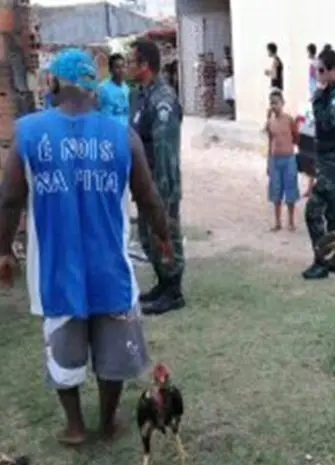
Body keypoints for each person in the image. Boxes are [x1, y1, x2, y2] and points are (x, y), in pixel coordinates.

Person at [0, 48, 172, 446]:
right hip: (110, 269)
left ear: (56, 83)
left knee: (63, 349)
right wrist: (164, 237)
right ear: (93, 88)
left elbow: (9, 199)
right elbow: (148, 199)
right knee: (113, 352)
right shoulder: (122, 136)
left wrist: (4, 249)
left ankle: (75, 425)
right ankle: (108, 421)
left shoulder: (27, 132)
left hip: (55, 271)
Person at [129, 39, 186, 315]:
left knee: (166, 233)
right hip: (145, 180)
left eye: (132, 61)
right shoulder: (142, 95)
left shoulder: (163, 99)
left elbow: (164, 150)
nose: (127, 66)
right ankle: (163, 282)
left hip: (160, 182)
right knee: (147, 235)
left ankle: (174, 291)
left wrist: (162, 190)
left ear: (145, 65)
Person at [302, 48, 335, 280]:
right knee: (334, 214)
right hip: (328, 159)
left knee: (313, 211)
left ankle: (322, 261)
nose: (318, 75)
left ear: (333, 70)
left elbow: (328, 122)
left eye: (322, 70)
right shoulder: (331, 92)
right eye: (316, 70)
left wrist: (317, 100)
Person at [264, 89, 300, 232]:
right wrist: (268, 162)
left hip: (289, 159)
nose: (274, 106)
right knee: (276, 192)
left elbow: (296, 137)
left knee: (290, 191)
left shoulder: (289, 119)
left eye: (276, 103)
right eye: (272, 103)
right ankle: (277, 222)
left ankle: (291, 222)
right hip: (275, 160)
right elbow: (269, 142)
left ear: (283, 103)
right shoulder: (270, 123)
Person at [97, 53, 130, 126]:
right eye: (117, 67)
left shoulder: (126, 88)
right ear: (110, 70)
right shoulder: (102, 88)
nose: (121, 70)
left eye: (123, 66)